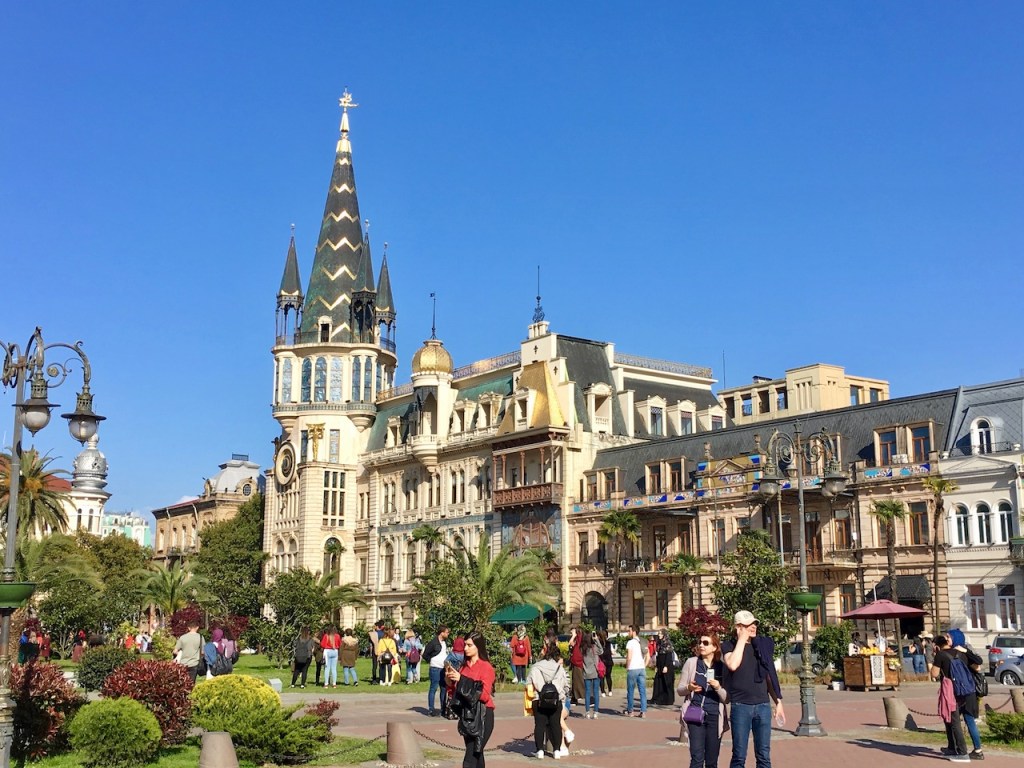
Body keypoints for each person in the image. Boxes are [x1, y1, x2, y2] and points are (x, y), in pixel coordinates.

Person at [722, 610, 784, 768]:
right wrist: (742, 640)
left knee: (764, 755)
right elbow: (733, 664)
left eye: (754, 623)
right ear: (738, 627)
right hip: (741, 706)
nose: (753, 627)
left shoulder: (761, 646)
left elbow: (769, 675)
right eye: (748, 624)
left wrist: (778, 702)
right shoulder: (729, 645)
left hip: (762, 706)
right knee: (739, 755)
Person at [678, 633, 729, 768]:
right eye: (700, 642)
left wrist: (718, 687)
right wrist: (689, 687)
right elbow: (680, 690)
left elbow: (727, 698)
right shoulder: (691, 663)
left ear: (714, 647)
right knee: (697, 758)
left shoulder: (722, 667)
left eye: (706, 643)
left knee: (712, 761)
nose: (701, 645)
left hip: (714, 716)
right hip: (695, 714)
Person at [446, 631, 496, 768]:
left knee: (470, 757)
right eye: (465, 645)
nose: (465, 648)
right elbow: (456, 691)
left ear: (478, 646)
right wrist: (449, 680)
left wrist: (462, 680)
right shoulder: (464, 666)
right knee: (477, 754)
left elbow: (485, 695)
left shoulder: (486, 667)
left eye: (469, 645)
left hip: (483, 715)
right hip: (467, 715)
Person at [931, 630, 983, 762]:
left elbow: (934, 674)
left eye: (949, 636)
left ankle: (960, 750)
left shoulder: (942, 654)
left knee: (953, 721)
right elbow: (977, 668)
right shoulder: (961, 652)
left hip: (953, 692)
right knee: (968, 720)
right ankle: (977, 750)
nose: (947, 638)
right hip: (968, 691)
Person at [527, 642, 569, 758]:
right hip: (556, 700)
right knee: (555, 725)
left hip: (539, 699)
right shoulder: (559, 668)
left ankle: (539, 750)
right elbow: (566, 685)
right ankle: (556, 750)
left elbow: (529, 683)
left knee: (539, 725)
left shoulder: (536, 667)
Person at [424, 625, 451, 716]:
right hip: (435, 668)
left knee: (443, 689)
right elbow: (425, 654)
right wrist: (431, 661)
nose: (448, 634)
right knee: (433, 688)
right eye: (446, 632)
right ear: (441, 633)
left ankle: (443, 709)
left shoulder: (444, 642)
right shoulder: (433, 643)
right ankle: (431, 709)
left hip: (443, 668)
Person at [624, 625, 649, 718]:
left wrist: (627, 666)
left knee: (630, 690)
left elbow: (629, 657)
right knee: (642, 691)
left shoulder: (630, 643)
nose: (628, 632)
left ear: (634, 631)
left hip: (633, 668)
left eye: (629, 631)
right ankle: (643, 711)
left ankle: (630, 710)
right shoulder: (642, 641)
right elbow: (647, 656)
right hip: (641, 668)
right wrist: (644, 665)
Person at [580, 630, 603, 718]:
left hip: (586, 672)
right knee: (596, 692)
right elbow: (601, 651)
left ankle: (587, 712)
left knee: (587, 692)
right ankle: (596, 712)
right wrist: (597, 640)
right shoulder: (595, 648)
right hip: (596, 672)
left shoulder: (583, 649)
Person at [443, 637, 467, 718]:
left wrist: (448, 669)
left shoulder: (452, 654)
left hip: (451, 674)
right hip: (461, 675)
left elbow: (446, 662)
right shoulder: (464, 654)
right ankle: (457, 713)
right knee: (458, 693)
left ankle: (449, 712)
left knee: (450, 693)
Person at [652, 628, 676, 705]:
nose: (659, 635)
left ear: (664, 634)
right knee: (658, 682)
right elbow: (658, 656)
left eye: (661, 633)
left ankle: (668, 700)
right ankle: (658, 698)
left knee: (667, 682)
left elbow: (668, 656)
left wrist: (666, 666)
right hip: (660, 665)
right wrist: (657, 666)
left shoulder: (668, 644)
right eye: (659, 633)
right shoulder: (659, 643)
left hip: (667, 666)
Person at [568, 626, 585, 705]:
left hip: (578, 662)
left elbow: (571, 643)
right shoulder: (577, 639)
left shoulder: (579, 638)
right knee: (575, 681)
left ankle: (578, 696)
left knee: (578, 681)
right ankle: (574, 697)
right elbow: (571, 644)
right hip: (575, 662)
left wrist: (574, 635)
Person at [597, 630, 614, 697]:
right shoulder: (609, 643)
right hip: (609, 661)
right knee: (608, 676)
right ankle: (610, 691)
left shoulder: (598, 644)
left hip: (601, 662)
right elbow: (612, 652)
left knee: (601, 677)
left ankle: (603, 691)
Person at [369, 620, 385, 685]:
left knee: (374, 666)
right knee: (382, 665)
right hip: (382, 650)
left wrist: (370, 652)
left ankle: (374, 679)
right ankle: (382, 678)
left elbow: (370, 644)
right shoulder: (383, 634)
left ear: (377, 626)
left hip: (374, 650)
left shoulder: (373, 634)